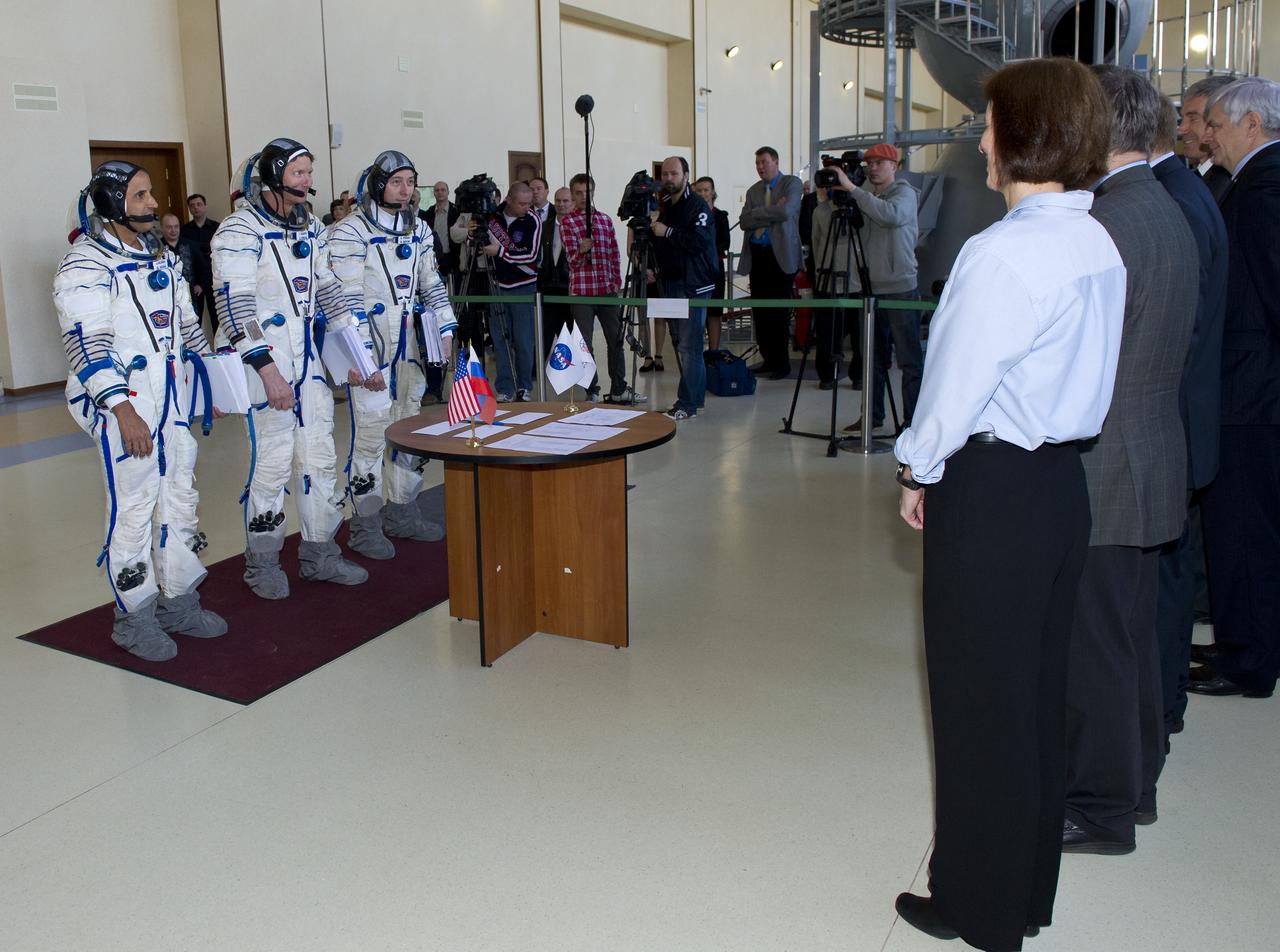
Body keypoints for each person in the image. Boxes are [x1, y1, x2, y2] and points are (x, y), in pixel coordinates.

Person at [892, 59, 1124, 952]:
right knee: (1032, 697)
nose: (981, 140)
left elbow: (952, 390)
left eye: (989, 124)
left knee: (976, 703)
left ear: (1025, 133)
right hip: (1059, 487)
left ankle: (977, 908)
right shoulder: (1095, 240)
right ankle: (1020, 889)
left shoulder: (1003, 253)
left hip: (992, 491)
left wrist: (917, 471)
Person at [1061, 67, 1199, 857]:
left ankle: (1102, 807)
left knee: (1098, 646)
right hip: (1147, 452)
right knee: (1131, 636)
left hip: (1107, 465)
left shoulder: (1109, 223)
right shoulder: (1161, 204)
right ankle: (1135, 783)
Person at [55, 161, 227, 661]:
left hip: (170, 398)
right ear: (111, 206)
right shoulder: (84, 266)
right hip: (123, 405)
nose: (154, 204)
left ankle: (179, 599)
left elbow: (185, 326)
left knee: (178, 496)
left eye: (150, 194)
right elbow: (87, 348)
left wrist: (214, 372)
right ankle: (134, 618)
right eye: (141, 196)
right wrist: (122, 411)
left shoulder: (161, 257)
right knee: (133, 508)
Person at [212, 137, 369, 599]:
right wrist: (268, 371)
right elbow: (234, 308)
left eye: (309, 172)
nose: (308, 181)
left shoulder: (311, 229)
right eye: (299, 172)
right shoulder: (238, 232)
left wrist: (356, 354)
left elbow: (330, 292)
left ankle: (320, 554)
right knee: (272, 466)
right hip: (267, 369)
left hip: (309, 367)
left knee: (319, 460)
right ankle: (262, 563)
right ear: (274, 174)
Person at [1192, 77, 1280, 699]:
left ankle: (1249, 660)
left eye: (1218, 124)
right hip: (1253, 388)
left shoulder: (1263, 189)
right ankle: (1243, 639)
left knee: (1247, 531)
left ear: (1252, 125)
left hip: (1253, 393)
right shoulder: (1255, 184)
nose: (1208, 135)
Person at [328, 150, 457, 559]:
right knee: (370, 433)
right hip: (370, 346)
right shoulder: (349, 233)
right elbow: (343, 303)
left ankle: (402, 510)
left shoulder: (417, 230)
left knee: (409, 428)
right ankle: (365, 524)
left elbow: (431, 283)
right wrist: (363, 360)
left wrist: (446, 325)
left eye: (409, 182)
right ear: (377, 184)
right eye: (396, 182)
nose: (404, 190)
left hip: (408, 345)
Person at [1147, 95, 1228, 741]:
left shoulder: (1169, 200)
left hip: (1167, 420)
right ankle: (1162, 697)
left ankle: (1161, 702)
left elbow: (1181, 329)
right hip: (1181, 417)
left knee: (1166, 579)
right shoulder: (1182, 189)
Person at [823, 145, 921, 433]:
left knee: (909, 360)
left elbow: (889, 215)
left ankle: (913, 422)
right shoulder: (864, 195)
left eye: (879, 162)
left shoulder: (905, 194)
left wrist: (853, 189)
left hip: (901, 286)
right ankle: (872, 416)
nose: (873, 168)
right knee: (871, 359)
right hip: (870, 287)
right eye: (869, 164)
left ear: (894, 165)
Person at [561, 173, 642, 404]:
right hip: (582, 292)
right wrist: (582, 250)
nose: (584, 197)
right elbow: (572, 261)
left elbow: (614, 254)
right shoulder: (568, 222)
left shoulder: (605, 220)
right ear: (573, 194)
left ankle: (619, 387)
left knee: (615, 340)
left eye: (587, 192)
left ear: (593, 192)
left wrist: (616, 282)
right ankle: (591, 389)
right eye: (578, 192)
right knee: (584, 343)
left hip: (606, 290)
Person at [650, 156, 718, 421]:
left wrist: (665, 232)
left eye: (674, 173)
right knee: (681, 344)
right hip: (672, 282)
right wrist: (654, 269)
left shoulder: (697, 206)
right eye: (665, 174)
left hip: (695, 285)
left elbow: (698, 242)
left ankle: (687, 403)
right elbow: (665, 245)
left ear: (686, 175)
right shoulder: (666, 204)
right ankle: (694, 399)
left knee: (689, 347)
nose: (669, 178)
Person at [737, 146, 802, 378]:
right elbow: (744, 221)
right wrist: (771, 209)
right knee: (761, 312)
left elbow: (787, 212)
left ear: (775, 161)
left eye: (764, 162)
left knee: (778, 313)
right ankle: (768, 359)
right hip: (758, 256)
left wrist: (760, 212)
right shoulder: (754, 190)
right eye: (757, 163)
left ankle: (782, 363)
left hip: (780, 257)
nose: (760, 167)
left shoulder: (791, 183)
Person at [479, 181, 542, 402]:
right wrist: (473, 236)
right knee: (500, 340)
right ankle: (505, 388)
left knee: (523, 341)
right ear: (509, 199)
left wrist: (501, 252)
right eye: (522, 203)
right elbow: (478, 244)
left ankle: (525, 386)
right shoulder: (492, 217)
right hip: (496, 285)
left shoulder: (533, 220)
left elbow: (532, 256)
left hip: (523, 286)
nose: (526, 207)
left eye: (529, 203)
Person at [1177, 75, 1238, 203]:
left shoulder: (1235, 183)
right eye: (1182, 118)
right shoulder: (1194, 178)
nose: (1181, 128)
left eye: (1193, 118)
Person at [693, 176, 731, 351]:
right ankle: (697, 350)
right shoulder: (691, 216)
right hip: (696, 270)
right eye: (699, 190)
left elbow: (725, 243)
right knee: (697, 312)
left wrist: (706, 250)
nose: (703, 193)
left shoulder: (720, 216)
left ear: (712, 192)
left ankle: (714, 351)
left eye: (706, 190)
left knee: (714, 312)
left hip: (714, 268)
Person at [539, 185, 574, 363]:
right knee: (545, 331)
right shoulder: (545, 226)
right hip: (548, 287)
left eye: (565, 201)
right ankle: (536, 371)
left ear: (573, 203)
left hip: (570, 288)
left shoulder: (578, 226)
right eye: (558, 201)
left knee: (571, 333)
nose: (561, 204)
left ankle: (576, 369)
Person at [181, 193, 218, 332]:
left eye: (199, 204)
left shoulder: (216, 227)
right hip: (195, 282)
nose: (196, 208)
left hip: (214, 277)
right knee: (194, 318)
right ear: (189, 209)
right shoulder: (184, 231)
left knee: (217, 318)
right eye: (192, 206)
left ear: (205, 207)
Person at [421, 180, 460, 283]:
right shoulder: (429, 212)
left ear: (448, 192)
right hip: (434, 257)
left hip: (452, 256)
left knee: (454, 289)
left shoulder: (456, 211)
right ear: (433, 193)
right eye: (437, 190)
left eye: (443, 190)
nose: (440, 192)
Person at [159, 213, 196, 287]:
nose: (173, 230)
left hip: (191, 291)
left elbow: (202, 268)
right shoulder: (157, 248)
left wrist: (200, 286)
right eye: (169, 227)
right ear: (161, 228)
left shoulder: (191, 245)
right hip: (167, 290)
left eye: (176, 226)